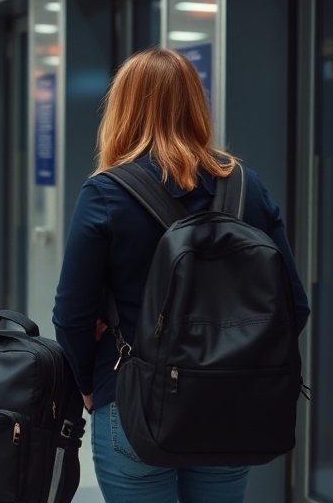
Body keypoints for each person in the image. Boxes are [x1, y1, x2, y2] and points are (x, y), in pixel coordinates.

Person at [52, 48, 310, 503]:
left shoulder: (106, 193)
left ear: (122, 110)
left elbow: (72, 314)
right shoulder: (247, 187)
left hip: (133, 403)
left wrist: (91, 386)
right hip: (233, 406)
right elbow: (295, 306)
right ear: (197, 105)